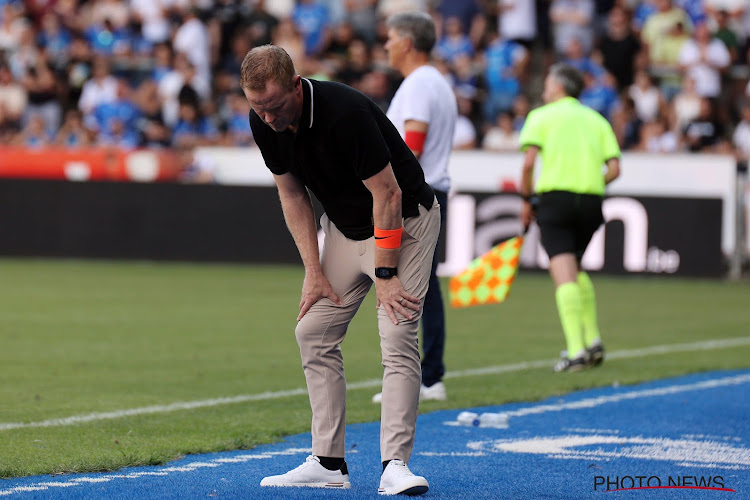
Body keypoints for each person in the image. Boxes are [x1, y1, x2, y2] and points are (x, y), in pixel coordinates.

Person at [241, 45, 439, 496]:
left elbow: (388, 194)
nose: (268, 119)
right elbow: (292, 195)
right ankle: (328, 462)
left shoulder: (344, 111)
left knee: (397, 330)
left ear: (296, 85)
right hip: (346, 232)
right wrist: (314, 270)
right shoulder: (263, 120)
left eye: (274, 106)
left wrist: (386, 276)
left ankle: (395, 465)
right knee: (313, 331)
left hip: (403, 223)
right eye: (257, 108)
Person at [370, 11, 456, 404]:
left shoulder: (420, 84)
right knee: (425, 284)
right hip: (429, 190)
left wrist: (395, 187)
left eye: (390, 38)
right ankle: (425, 374)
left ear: (406, 41)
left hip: (416, 193)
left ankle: (423, 375)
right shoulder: (434, 81)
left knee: (410, 285)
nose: (386, 45)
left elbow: (412, 143)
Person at [518, 64, 621, 372]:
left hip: (555, 201)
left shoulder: (541, 116)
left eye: (548, 84)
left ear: (559, 88)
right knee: (574, 267)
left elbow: (527, 165)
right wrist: (589, 183)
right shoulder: (597, 120)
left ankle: (576, 351)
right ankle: (592, 339)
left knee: (562, 273)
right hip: (591, 201)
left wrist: (527, 199)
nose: (545, 89)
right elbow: (614, 169)